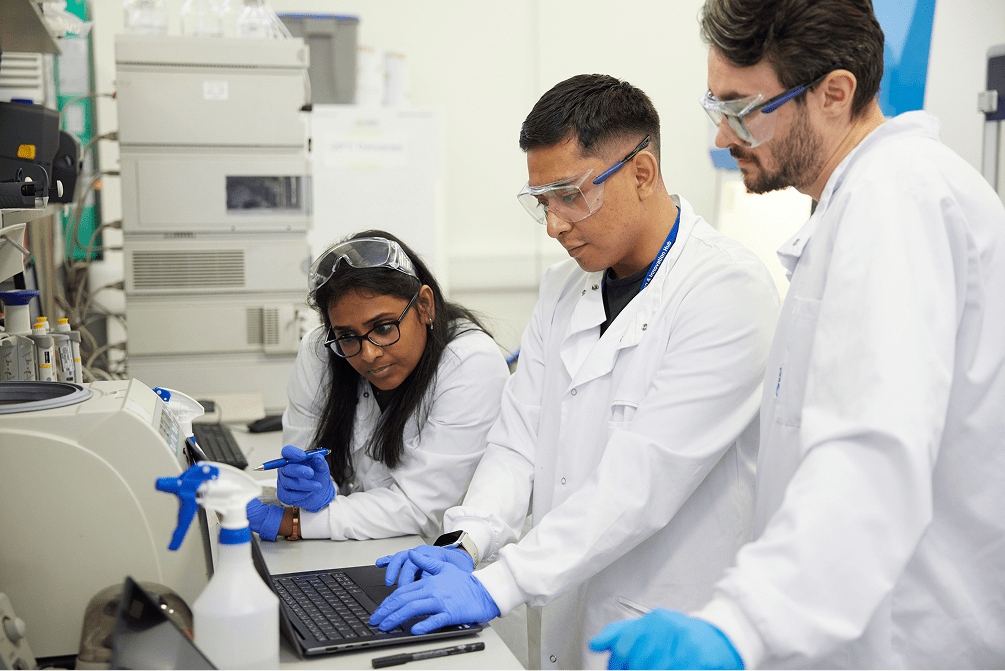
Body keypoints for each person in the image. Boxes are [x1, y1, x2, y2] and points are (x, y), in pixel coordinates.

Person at [590, 1, 1005, 669]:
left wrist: (739, 626)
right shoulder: (858, 202)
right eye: (714, 108)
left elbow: (870, 451)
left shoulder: (896, 200)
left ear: (833, 94)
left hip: (911, 643)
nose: (722, 138)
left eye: (740, 109)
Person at [368, 74, 781, 670]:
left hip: (665, 630)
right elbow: (517, 441)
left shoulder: (726, 291)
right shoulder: (564, 289)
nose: (555, 225)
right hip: (563, 612)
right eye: (542, 201)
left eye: (569, 195)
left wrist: (497, 585)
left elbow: (640, 483)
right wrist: (467, 540)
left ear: (641, 174)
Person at [246, 230, 510, 542]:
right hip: (351, 549)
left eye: (383, 328)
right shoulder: (322, 351)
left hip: (439, 561)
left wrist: (293, 523)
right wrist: (305, 492)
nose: (369, 353)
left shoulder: (470, 362)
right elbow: (303, 463)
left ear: (424, 306)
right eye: (347, 336)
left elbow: (421, 508)